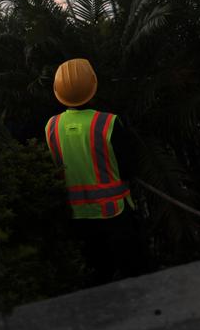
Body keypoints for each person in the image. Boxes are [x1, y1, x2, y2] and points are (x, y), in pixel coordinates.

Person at [45, 58, 148, 284]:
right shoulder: (108, 122)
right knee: (135, 276)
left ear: (57, 90)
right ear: (93, 86)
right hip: (116, 214)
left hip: (78, 219)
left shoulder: (51, 126)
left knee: (98, 278)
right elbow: (129, 168)